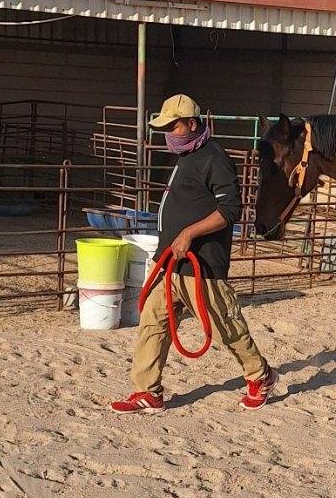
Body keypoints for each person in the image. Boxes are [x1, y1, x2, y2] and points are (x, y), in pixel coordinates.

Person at [111, 95, 277, 414]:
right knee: (153, 323)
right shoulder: (186, 156)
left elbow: (229, 210)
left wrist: (189, 233)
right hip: (169, 262)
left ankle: (260, 375)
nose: (169, 133)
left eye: (173, 126)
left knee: (225, 326)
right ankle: (148, 391)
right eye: (166, 128)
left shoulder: (215, 158)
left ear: (192, 123)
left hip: (202, 263)